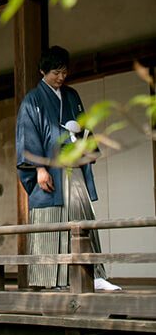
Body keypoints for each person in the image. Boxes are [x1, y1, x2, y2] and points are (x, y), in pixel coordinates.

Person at [15, 45, 120, 291]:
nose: (61, 77)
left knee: (83, 214)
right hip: (50, 169)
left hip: (73, 165)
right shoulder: (32, 100)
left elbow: (84, 127)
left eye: (64, 72)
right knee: (52, 221)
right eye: (55, 73)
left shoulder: (72, 96)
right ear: (42, 71)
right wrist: (39, 169)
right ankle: (54, 280)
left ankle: (94, 275)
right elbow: (28, 137)